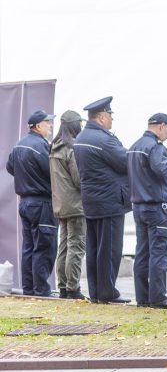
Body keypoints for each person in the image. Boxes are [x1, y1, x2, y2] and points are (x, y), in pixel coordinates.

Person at [74, 96, 131, 304]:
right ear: (102, 117)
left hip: (91, 200)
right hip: (110, 201)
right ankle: (108, 292)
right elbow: (125, 162)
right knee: (110, 249)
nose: (112, 120)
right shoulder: (104, 140)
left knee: (94, 248)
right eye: (110, 116)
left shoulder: (81, 137)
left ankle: (96, 291)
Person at [129, 113, 167, 309]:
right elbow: (165, 169)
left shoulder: (134, 146)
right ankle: (158, 297)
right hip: (156, 207)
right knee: (159, 252)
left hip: (139, 207)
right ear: (161, 126)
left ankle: (143, 297)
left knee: (142, 253)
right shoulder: (156, 147)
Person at [6, 110, 56, 296]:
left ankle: (28, 287)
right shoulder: (42, 146)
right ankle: (41, 289)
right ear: (37, 126)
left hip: (25, 202)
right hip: (42, 202)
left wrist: (27, 180)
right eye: (47, 123)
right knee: (44, 246)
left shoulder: (19, 144)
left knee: (28, 246)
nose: (50, 126)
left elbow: (11, 167)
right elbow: (52, 172)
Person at [50, 110, 86, 300]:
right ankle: (73, 288)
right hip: (75, 204)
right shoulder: (71, 149)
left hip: (61, 204)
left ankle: (63, 286)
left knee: (64, 246)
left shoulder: (54, 147)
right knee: (76, 245)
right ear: (74, 125)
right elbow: (79, 180)